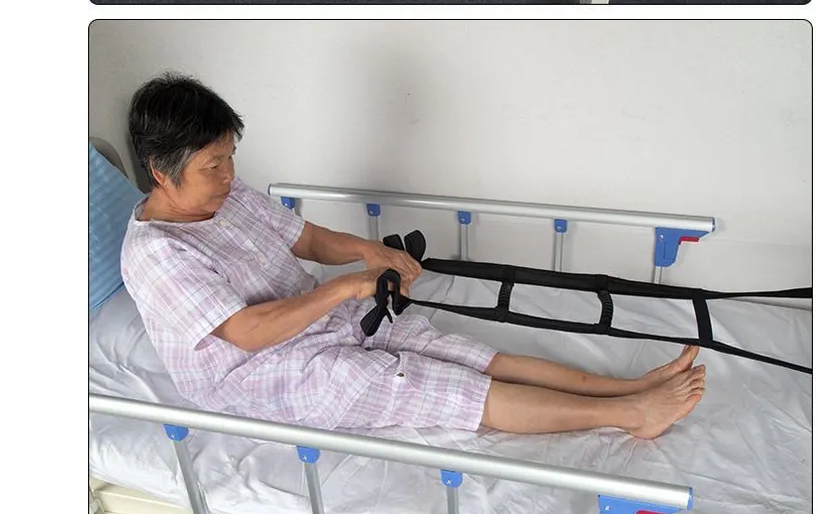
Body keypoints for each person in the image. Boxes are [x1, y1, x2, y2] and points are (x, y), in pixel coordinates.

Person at [120, 74, 706, 437]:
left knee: (468, 355)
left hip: (317, 321)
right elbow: (247, 333)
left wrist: (369, 251)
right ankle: (631, 416)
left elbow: (306, 239)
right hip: (258, 373)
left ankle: (624, 388)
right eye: (213, 165)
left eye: (230, 157)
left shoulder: (225, 195)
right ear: (161, 172)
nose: (229, 174)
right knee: (434, 383)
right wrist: (348, 286)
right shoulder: (158, 254)